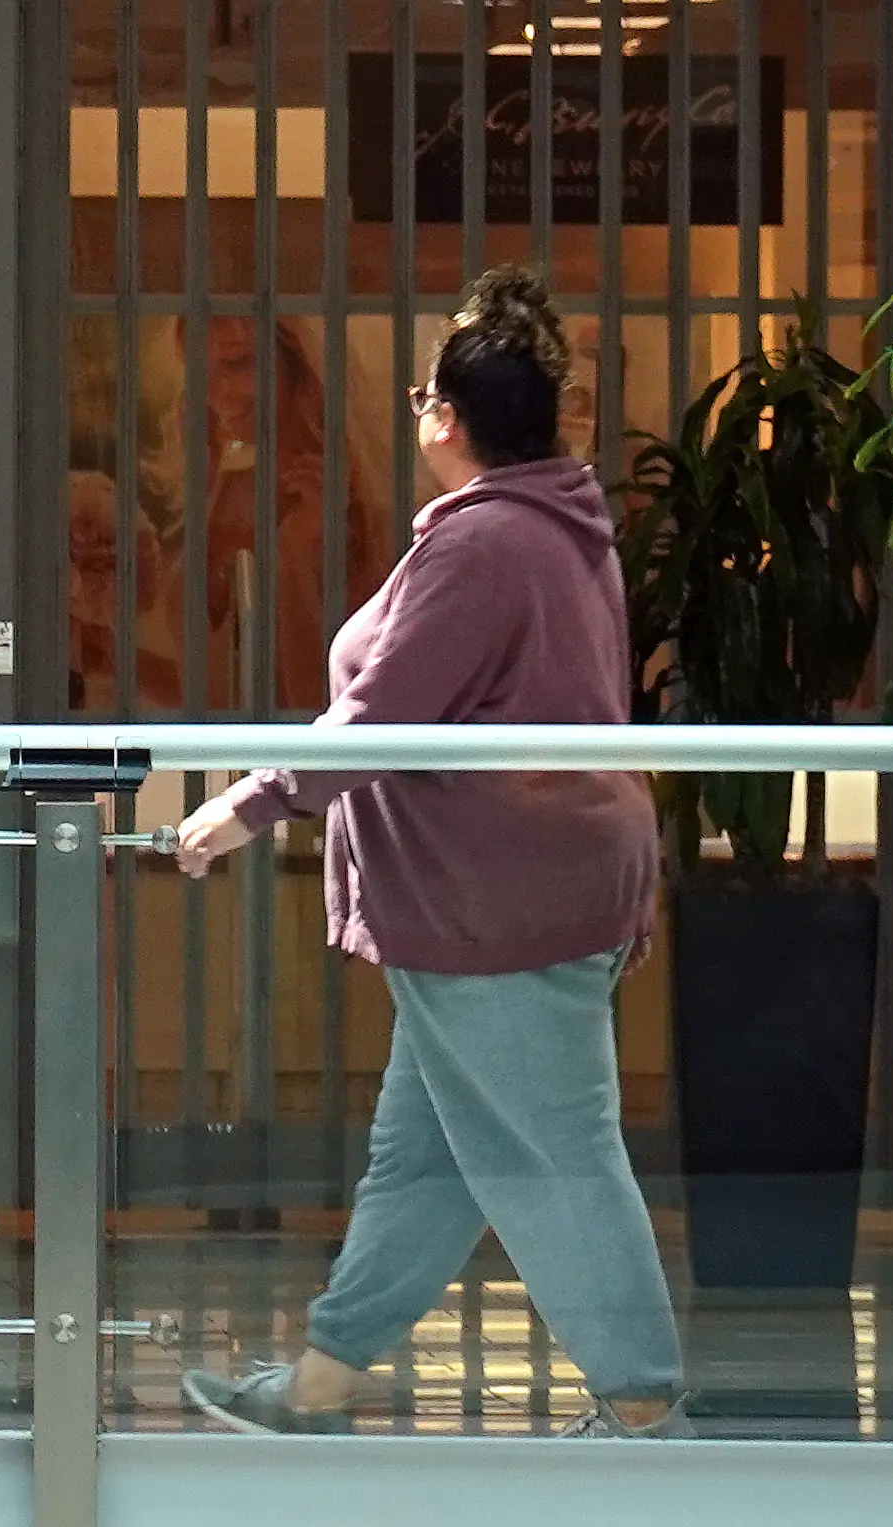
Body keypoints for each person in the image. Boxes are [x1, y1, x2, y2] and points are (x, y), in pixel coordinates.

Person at [170, 267, 687, 1439]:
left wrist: (244, 808)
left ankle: (644, 1401)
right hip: (501, 894)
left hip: (498, 904)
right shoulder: (555, 521)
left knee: (556, 1155)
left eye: (420, 395)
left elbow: (387, 714)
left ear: (445, 418)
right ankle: (321, 1381)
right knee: (428, 1161)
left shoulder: (485, 544)